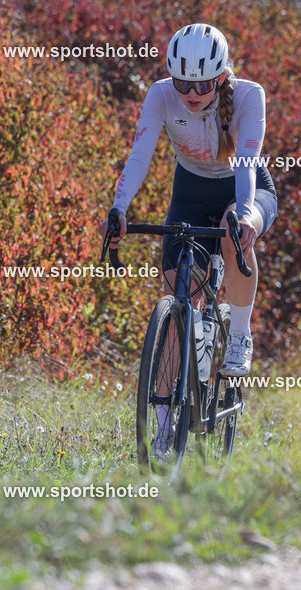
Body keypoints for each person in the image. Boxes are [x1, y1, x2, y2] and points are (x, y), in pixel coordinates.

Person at [100, 21, 278, 391]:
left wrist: (244, 215)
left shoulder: (249, 96)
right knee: (179, 299)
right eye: (182, 84)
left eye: (202, 84)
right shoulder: (160, 94)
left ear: (221, 76)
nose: (191, 93)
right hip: (191, 190)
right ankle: (166, 419)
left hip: (244, 188)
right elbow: (139, 157)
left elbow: (247, 163)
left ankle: (239, 335)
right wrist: (119, 209)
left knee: (232, 232)